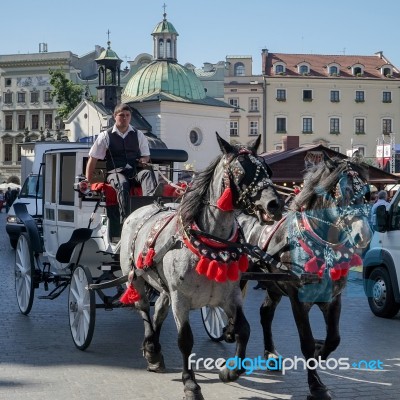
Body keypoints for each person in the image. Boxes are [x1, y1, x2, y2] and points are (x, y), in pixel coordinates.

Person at [85, 103, 157, 222]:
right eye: (121, 115)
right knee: (122, 183)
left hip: (133, 171)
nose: (125, 118)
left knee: (147, 174)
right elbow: (93, 158)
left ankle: (151, 210)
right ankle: (125, 219)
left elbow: (146, 155)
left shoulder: (138, 134)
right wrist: (88, 180)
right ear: (115, 116)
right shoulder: (105, 136)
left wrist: (143, 161)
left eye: (127, 115)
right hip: (115, 172)